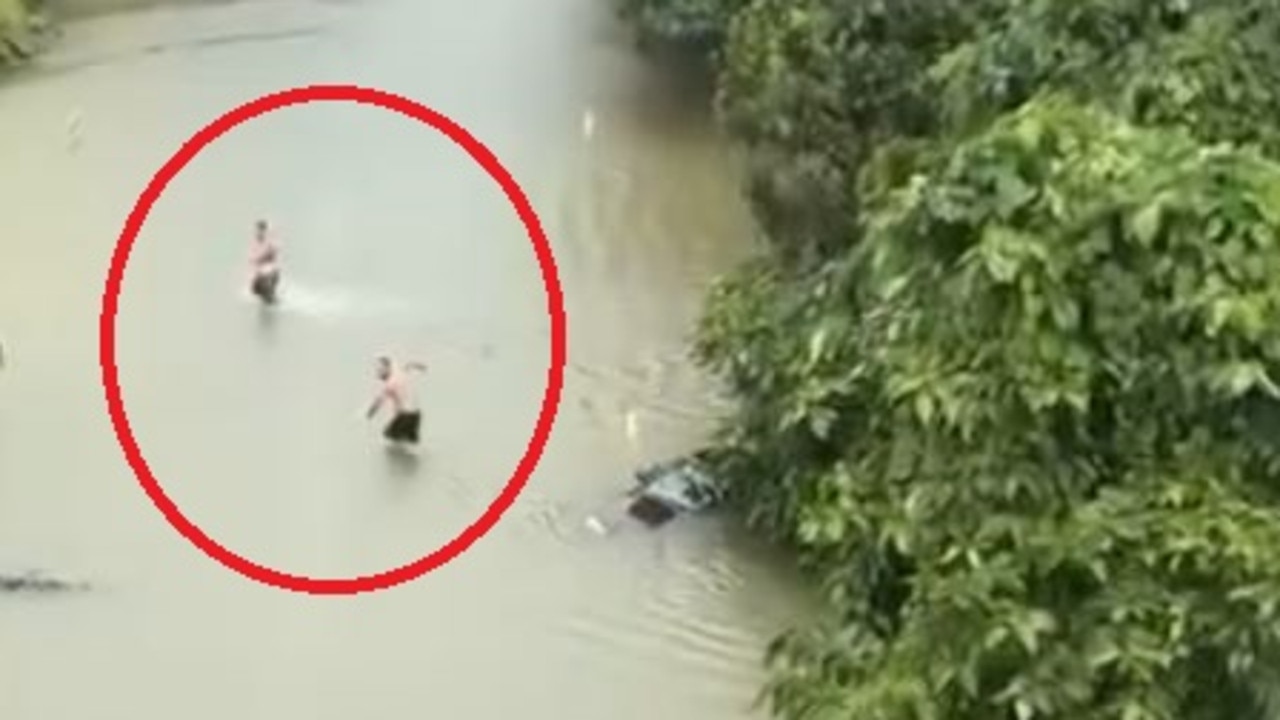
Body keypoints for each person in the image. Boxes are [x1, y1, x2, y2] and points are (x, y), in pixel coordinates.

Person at [366, 356, 427, 447]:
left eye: (380, 370)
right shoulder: (400, 373)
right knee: (411, 441)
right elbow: (409, 365)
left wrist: (370, 413)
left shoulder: (390, 384)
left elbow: (379, 401)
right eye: (377, 371)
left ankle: (402, 458)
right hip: (417, 414)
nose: (378, 373)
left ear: (388, 368)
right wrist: (420, 366)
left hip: (405, 416)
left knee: (388, 435)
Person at [248, 219, 281, 305]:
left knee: (267, 294)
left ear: (265, 230)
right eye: (258, 230)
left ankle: (272, 297)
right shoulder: (255, 241)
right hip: (261, 272)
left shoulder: (270, 241)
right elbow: (252, 259)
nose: (259, 232)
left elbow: (273, 253)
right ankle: (270, 297)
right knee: (254, 290)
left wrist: (263, 257)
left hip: (270, 271)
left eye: (261, 230)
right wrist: (256, 260)